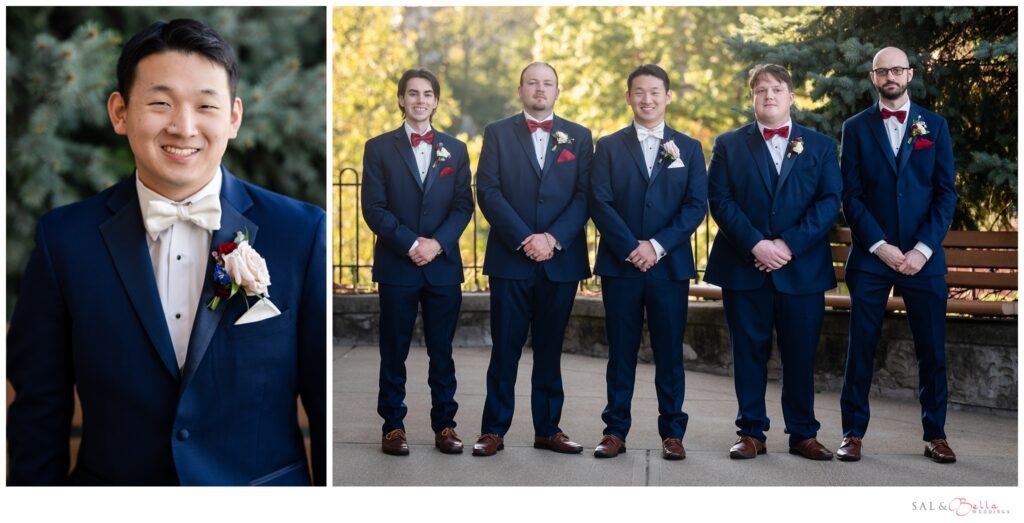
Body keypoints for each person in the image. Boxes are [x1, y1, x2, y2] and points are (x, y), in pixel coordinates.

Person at [6, 18, 326, 485]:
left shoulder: (301, 233)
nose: (183, 126)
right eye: (160, 103)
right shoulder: (65, 241)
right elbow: (40, 411)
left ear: (233, 118)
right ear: (120, 112)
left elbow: (322, 399)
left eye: (205, 105)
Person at [704, 64, 842, 461]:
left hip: (801, 269)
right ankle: (751, 432)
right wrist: (757, 246)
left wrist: (787, 245)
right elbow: (722, 200)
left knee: (800, 355)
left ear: (791, 96)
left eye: (777, 89)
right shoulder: (729, 144)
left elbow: (829, 200)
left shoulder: (818, 144)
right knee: (747, 353)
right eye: (761, 90)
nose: (769, 96)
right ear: (752, 98)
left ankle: (802, 433)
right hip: (744, 267)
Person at [838, 46, 958, 463]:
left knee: (932, 349)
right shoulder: (855, 128)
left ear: (909, 74)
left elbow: (945, 195)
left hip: (923, 259)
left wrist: (923, 250)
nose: (890, 76)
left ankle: (936, 435)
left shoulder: (935, 126)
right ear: (873, 78)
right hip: (873, 257)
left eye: (897, 70)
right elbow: (850, 195)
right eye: (882, 71)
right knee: (861, 346)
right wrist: (880, 246)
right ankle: (852, 433)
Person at [472, 62, 593, 457]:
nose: (540, 90)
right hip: (511, 258)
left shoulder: (579, 136)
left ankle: (548, 429)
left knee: (550, 347)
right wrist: (526, 238)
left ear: (558, 91)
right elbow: (488, 191)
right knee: (504, 347)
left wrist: (552, 239)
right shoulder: (497, 133)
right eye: (532, 83)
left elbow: (584, 196)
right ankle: (493, 429)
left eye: (548, 84)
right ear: (520, 89)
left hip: (561, 260)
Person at [588, 64, 707, 461]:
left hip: (668, 267)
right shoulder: (607, 146)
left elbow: (694, 207)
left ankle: (673, 433)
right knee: (620, 351)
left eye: (655, 92)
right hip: (621, 266)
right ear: (628, 97)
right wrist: (630, 246)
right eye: (639, 92)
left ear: (668, 96)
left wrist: (656, 246)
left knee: (670, 352)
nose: (647, 99)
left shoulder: (688, 148)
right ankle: (614, 431)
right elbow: (599, 201)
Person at [361, 67, 474, 457]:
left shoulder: (455, 150)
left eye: (427, 94)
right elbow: (373, 208)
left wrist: (437, 244)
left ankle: (445, 425)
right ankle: (393, 425)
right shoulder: (378, 147)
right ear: (400, 99)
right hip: (398, 265)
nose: (420, 100)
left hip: (442, 267)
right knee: (394, 349)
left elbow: (464, 206)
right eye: (412, 93)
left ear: (436, 101)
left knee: (442, 351)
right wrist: (411, 243)